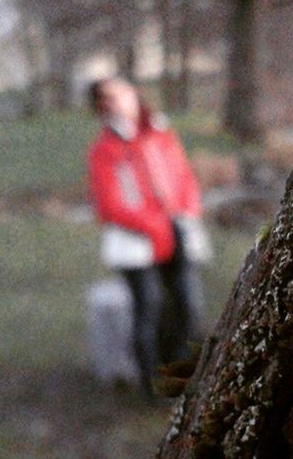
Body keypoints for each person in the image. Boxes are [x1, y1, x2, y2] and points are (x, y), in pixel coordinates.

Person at [86, 77, 210, 399]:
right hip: (136, 241)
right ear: (102, 106)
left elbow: (182, 175)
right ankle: (152, 385)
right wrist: (151, 224)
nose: (121, 99)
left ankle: (180, 377)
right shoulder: (104, 149)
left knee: (187, 305)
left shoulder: (159, 132)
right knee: (149, 309)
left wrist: (186, 209)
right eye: (110, 96)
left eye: (123, 91)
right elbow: (110, 205)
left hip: (176, 228)